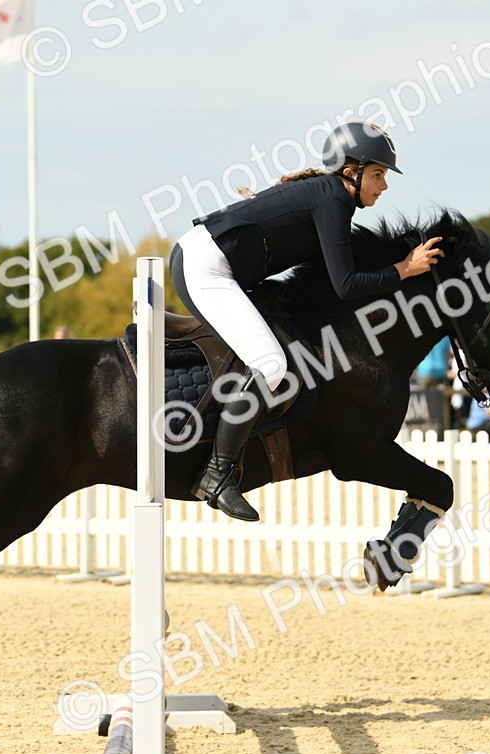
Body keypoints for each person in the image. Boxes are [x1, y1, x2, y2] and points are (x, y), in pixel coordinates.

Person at [170, 121, 442, 521]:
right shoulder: (334, 200)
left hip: (205, 258)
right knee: (271, 364)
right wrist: (405, 269)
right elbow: (346, 285)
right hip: (206, 269)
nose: (384, 186)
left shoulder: (329, 193)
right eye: (378, 174)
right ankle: (217, 475)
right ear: (351, 171)